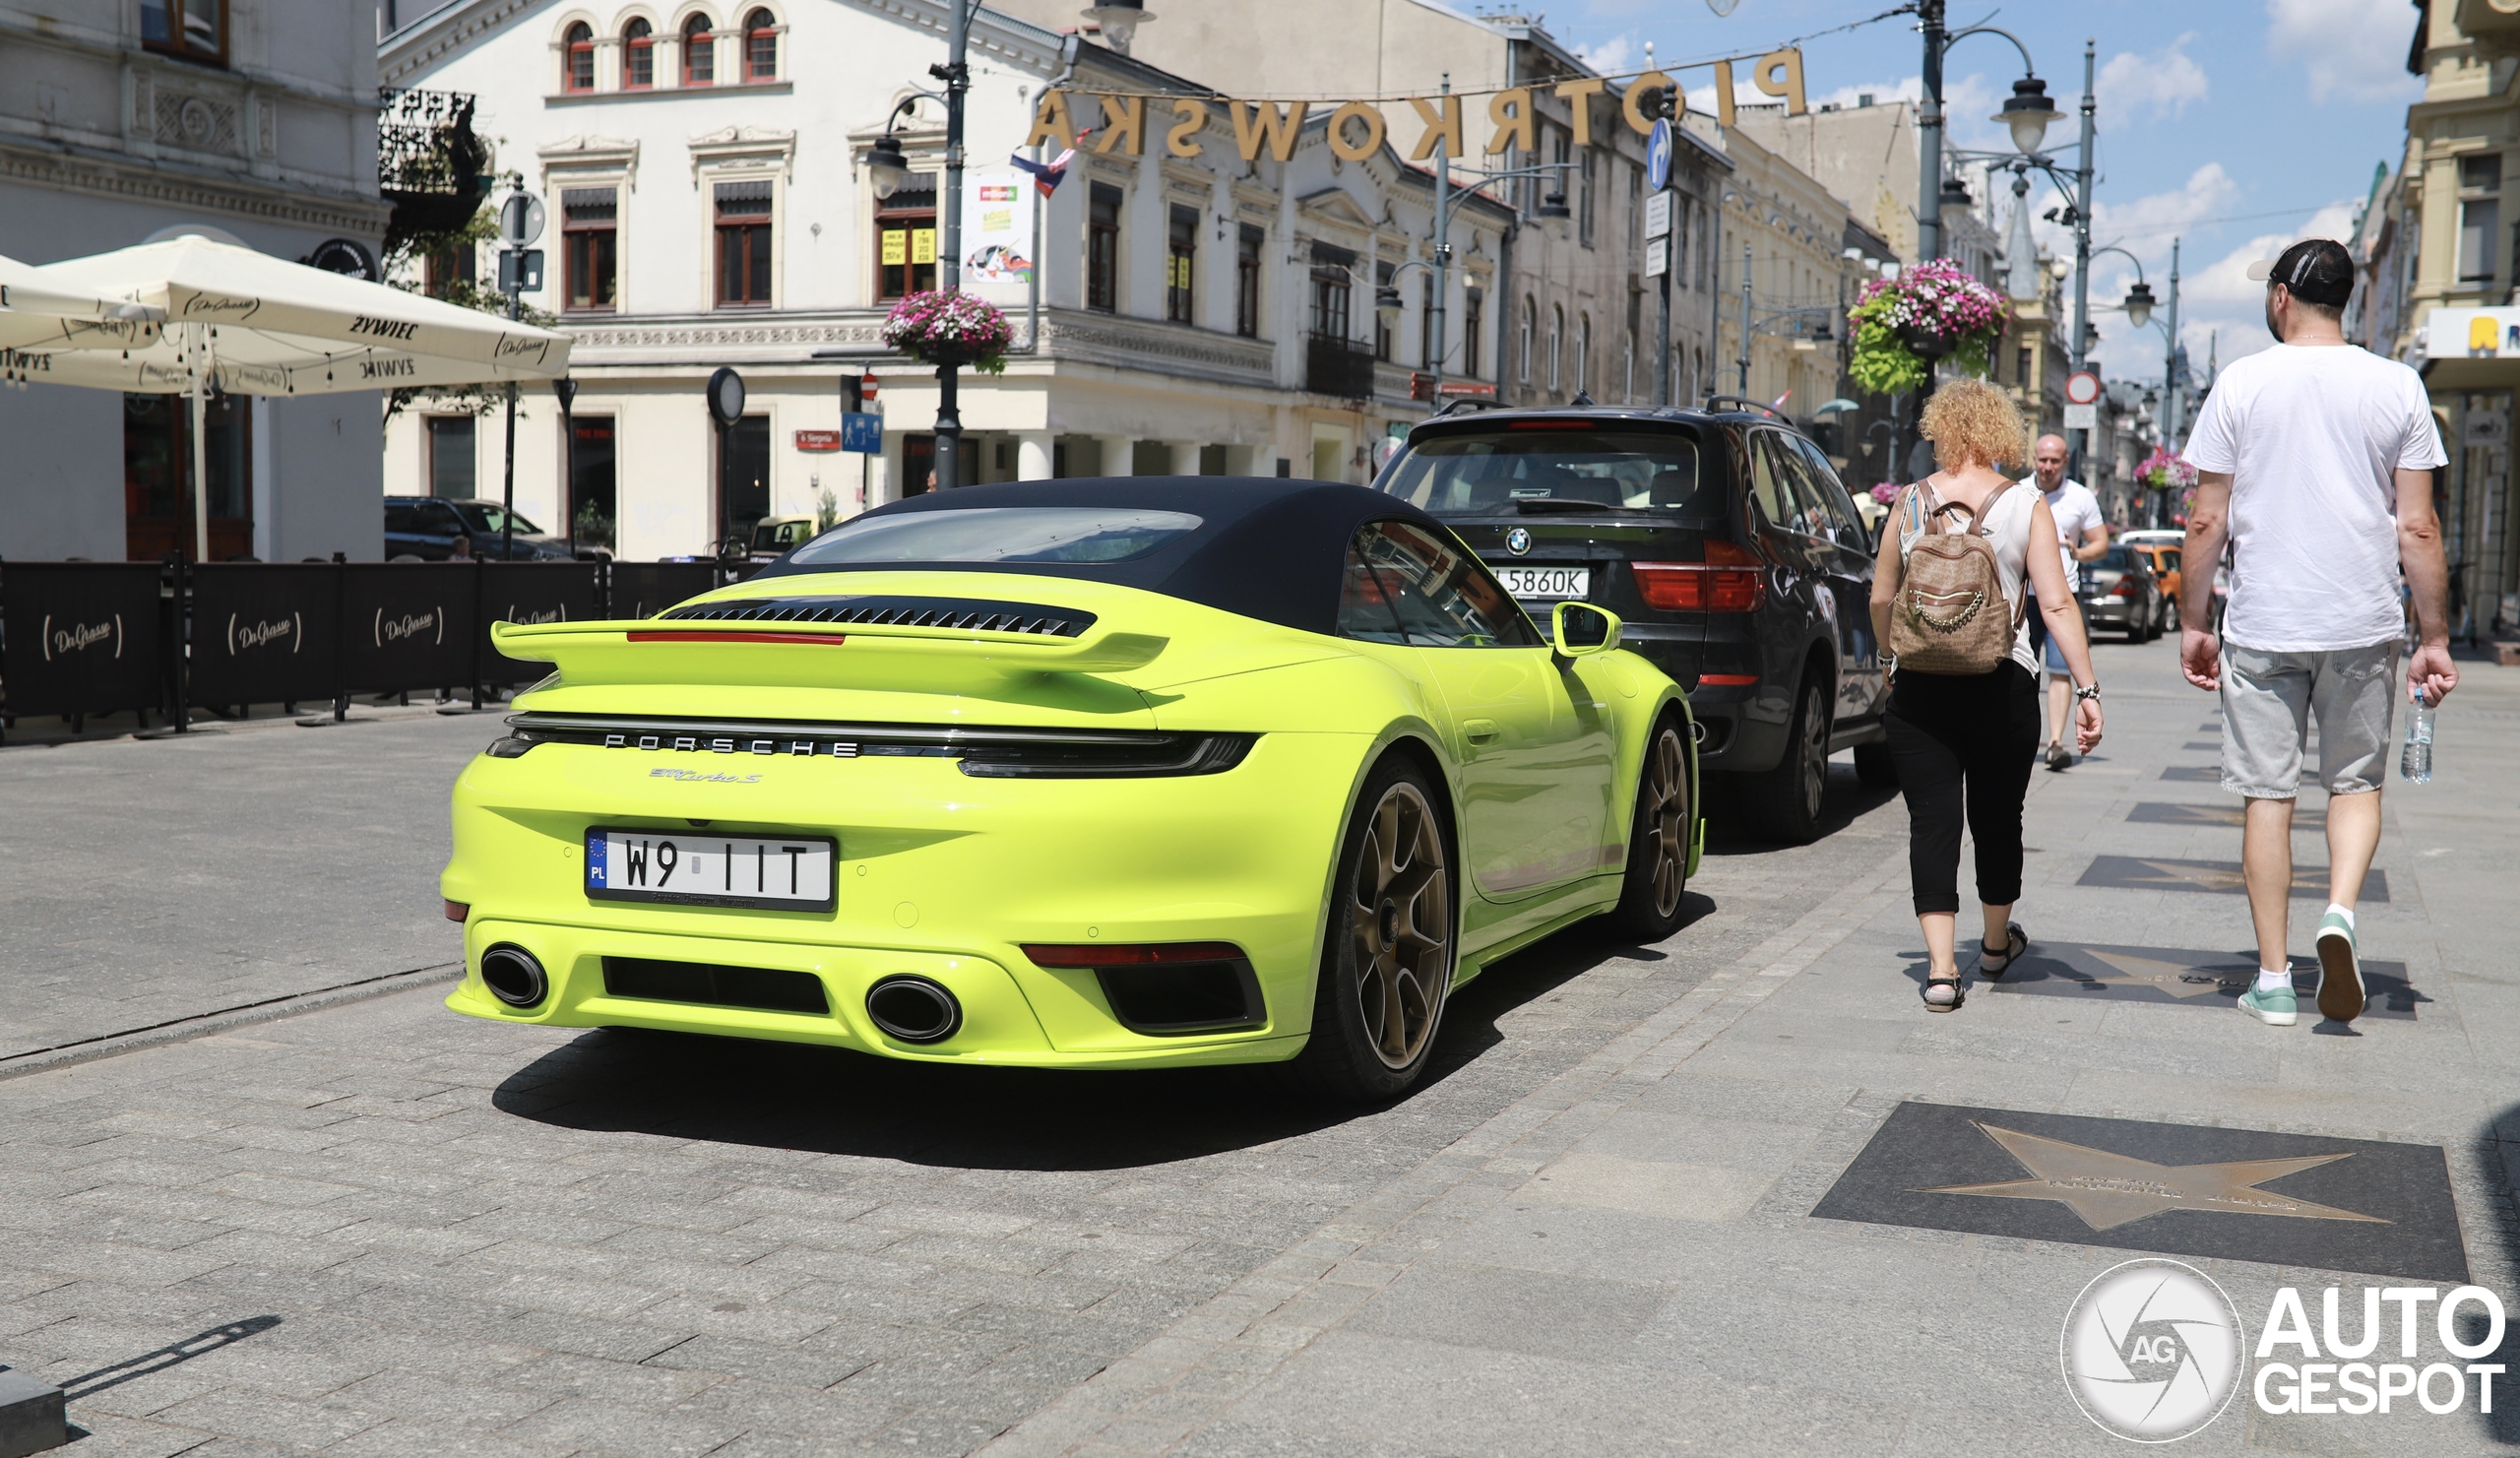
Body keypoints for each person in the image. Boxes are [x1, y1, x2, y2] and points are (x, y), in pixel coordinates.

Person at [2180, 238, 2457, 1029]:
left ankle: (2272, 979)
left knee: (2268, 796)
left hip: (2266, 619)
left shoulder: (2241, 381)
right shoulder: (2397, 385)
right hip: (2362, 620)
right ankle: (2339, 910)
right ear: (2345, 297)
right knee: (2355, 784)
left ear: (2280, 298)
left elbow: (2207, 516)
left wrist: (2195, 621)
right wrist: (2432, 636)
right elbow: (2419, 526)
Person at [1872, 380, 2105, 1011]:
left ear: (1941, 428)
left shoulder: (1910, 502)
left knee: (1932, 824)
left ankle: (1943, 972)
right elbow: (2056, 603)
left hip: (1921, 685)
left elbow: (1880, 597)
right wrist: (2085, 688)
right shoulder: (2027, 505)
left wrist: (1891, 659)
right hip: (2002, 681)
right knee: (1998, 819)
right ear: (2003, 432)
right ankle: (1996, 945)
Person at [2020, 433, 2109, 770]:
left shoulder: (2080, 497)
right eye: (2042, 459)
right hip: (2023, 598)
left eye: (2054, 461)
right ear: (2034, 459)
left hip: (2063, 594)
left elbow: (2100, 542)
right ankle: (2022, 738)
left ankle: (2055, 743)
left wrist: (2079, 552)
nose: (2047, 466)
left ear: (2065, 461)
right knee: (2022, 670)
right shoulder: (2018, 492)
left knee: (2059, 671)